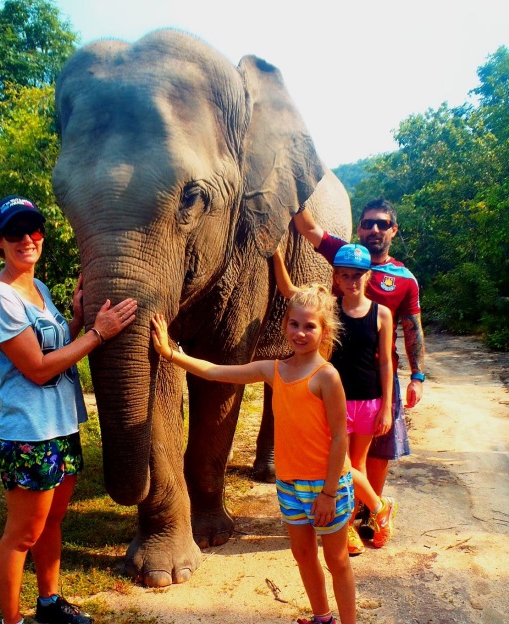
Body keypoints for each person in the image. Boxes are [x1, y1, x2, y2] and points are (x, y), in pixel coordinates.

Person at [152, 285, 356, 624]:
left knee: (337, 561)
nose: (301, 333)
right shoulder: (273, 370)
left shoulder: (327, 377)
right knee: (303, 556)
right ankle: (323, 618)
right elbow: (216, 371)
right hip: (290, 485)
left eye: (310, 326)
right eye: (294, 324)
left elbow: (339, 439)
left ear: (324, 331)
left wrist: (329, 494)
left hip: (328, 487)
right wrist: (171, 353)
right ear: (284, 326)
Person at [0, 195, 138, 624]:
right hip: (28, 432)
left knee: (52, 522)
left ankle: (49, 603)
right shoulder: (0, 296)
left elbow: (53, 346)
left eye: (33, 230)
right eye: (14, 232)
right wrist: (97, 334)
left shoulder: (39, 289)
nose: (26, 239)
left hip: (61, 425)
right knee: (23, 534)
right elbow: (36, 368)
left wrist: (75, 320)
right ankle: (11, 621)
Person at [291, 197, 425, 538]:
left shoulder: (404, 279)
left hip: (378, 382)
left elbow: (412, 327)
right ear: (359, 228)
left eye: (382, 223)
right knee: (341, 455)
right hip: (339, 382)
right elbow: (308, 228)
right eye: (368, 223)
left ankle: (369, 510)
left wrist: (417, 376)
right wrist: (296, 191)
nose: (374, 229)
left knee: (377, 450)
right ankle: (359, 514)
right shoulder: (343, 254)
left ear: (394, 230)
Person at [273, 243, 396, 555]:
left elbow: (385, 363)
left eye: (357, 275)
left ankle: (352, 524)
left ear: (368, 276)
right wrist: (275, 251)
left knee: (356, 464)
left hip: (368, 400)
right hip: (333, 401)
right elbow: (289, 290)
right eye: (344, 275)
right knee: (341, 464)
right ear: (336, 277)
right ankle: (378, 507)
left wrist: (386, 407)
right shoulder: (328, 309)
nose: (351, 281)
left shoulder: (382, 314)